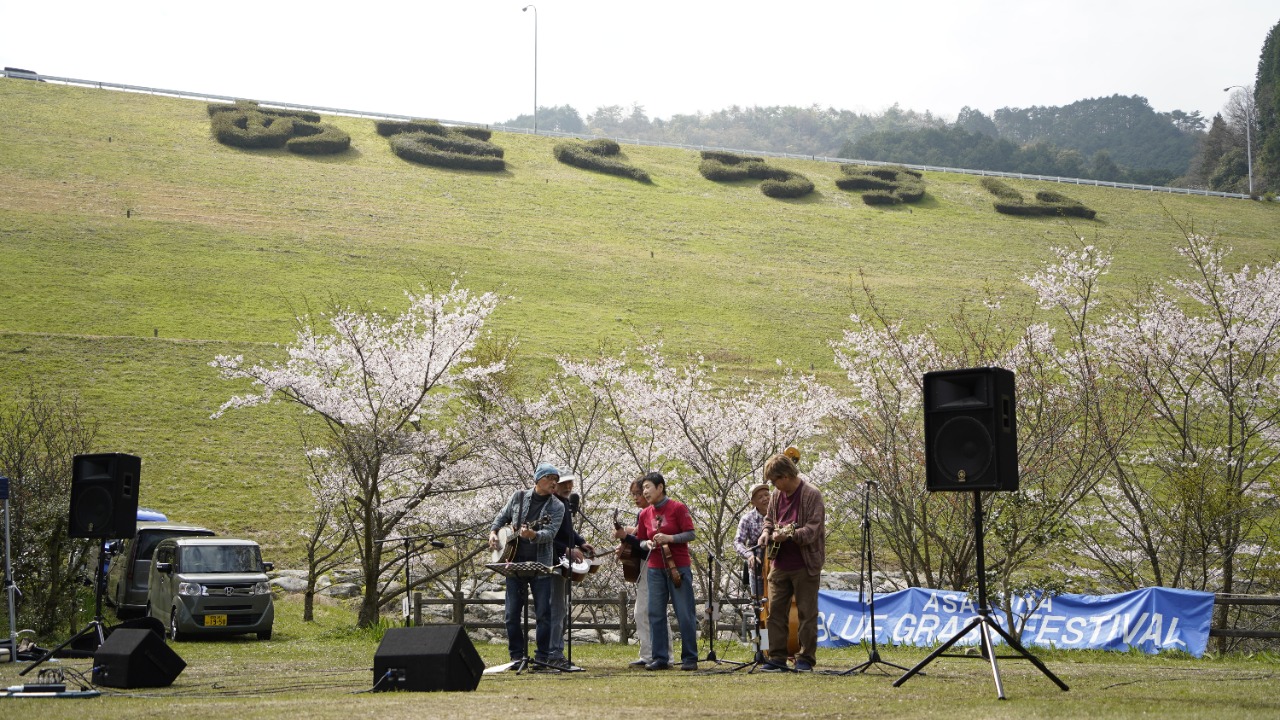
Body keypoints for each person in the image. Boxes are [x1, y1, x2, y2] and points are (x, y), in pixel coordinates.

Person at [488, 463, 565, 667]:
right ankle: (516, 656)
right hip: (513, 563)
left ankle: (542, 657)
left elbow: (550, 533)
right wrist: (494, 533)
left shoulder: (557, 507)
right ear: (538, 479)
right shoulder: (519, 497)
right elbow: (501, 516)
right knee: (511, 614)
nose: (554, 482)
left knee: (543, 614)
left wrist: (533, 534)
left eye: (556, 479)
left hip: (541, 564)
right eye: (550, 478)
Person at [758, 453, 825, 672]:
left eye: (775, 480)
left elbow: (813, 530)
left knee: (807, 613)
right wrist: (766, 533)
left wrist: (789, 535)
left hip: (805, 565)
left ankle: (806, 658)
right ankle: (776, 657)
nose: (773, 486)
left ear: (785, 475)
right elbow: (769, 520)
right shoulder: (777, 495)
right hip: (779, 564)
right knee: (775, 612)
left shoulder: (812, 495)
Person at [634, 471, 699, 671]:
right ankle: (660, 657)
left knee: (684, 612)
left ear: (660, 487)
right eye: (643, 488)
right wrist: (647, 544)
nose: (645, 492)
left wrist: (670, 539)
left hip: (677, 566)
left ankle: (690, 657)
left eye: (648, 487)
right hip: (654, 568)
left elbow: (691, 534)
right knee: (655, 613)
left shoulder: (677, 508)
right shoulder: (645, 513)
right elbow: (640, 540)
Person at [548, 473, 593, 672]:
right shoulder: (551, 504)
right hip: (551, 563)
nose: (568, 487)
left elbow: (567, 532)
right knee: (556, 609)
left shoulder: (565, 504)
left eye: (570, 483)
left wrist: (581, 542)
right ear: (554, 485)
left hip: (562, 562)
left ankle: (556, 652)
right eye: (563, 484)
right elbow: (548, 536)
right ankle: (553, 654)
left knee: (561, 609)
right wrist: (566, 549)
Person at [614, 476, 656, 667]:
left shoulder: (651, 513)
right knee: (642, 612)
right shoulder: (643, 514)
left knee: (649, 612)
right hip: (644, 566)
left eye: (640, 493)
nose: (637, 497)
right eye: (634, 494)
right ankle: (648, 654)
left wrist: (626, 537)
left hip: (652, 565)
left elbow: (645, 544)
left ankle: (657, 654)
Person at [734, 482, 770, 661]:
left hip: (777, 569)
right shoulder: (747, 519)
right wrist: (749, 555)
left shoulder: (779, 514)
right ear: (753, 502)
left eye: (767, 494)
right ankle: (763, 650)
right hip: (757, 570)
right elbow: (738, 542)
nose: (765, 498)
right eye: (760, 496)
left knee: (777, 610)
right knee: (760, 612)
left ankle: (782, 649)